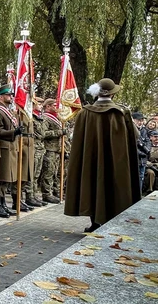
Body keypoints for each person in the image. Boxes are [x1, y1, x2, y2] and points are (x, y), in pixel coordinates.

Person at [65, 78, 141, 232]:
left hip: (90, 160)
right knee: (114, 185)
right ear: (112, 95)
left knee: (92, 186)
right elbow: (136, 135)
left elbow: (77, 139)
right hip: (116, 160)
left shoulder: (84, 113)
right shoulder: (121, 112)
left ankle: (94, 224)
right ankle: (111, 223)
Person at [0, 85, 23, 217]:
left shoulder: (8, 111)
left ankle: (3, 203)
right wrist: (13, 132)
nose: (11, 97)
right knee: (1, 178)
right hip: (3, 148)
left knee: (7, 178)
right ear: (0, 97)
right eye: (8, 95)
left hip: (11, 148)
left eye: (11, 95)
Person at [40, 99, 67, 204]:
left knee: (56, 172)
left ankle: (56, 191)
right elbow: (44, 133)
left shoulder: (57, 118)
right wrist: (59, 132)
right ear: (48, 106)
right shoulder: (45, 118)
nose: (57, 107)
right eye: (54, 105)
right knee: (48, 172)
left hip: (57, 149)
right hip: (49, 149)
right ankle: (47, 194)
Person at [132, 112, 151, 193]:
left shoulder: (144, 130)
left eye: (142, 120)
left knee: (141, 177)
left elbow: (148, 141)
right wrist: (141, 152)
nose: (140, 122)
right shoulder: (130, 129)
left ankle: (139, 194)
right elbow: (132, 144)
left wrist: (147, 150)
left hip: (143, 160)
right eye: (138, 120)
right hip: (134, 158)